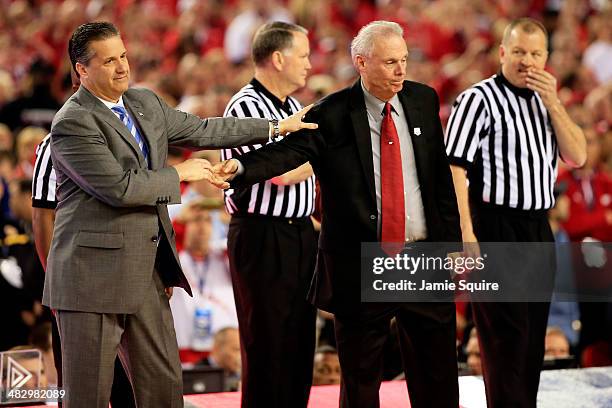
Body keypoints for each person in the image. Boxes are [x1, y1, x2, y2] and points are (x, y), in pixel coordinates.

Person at [42, 21, 315, 408]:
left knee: (165, 392)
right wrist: (180, 173)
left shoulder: (145, 102)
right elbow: (120, 187)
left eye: (123, 56)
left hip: (147, 272)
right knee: (88, 397)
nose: (122, 67)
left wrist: (275, 127)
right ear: (81, 69)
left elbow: (205, 130)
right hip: (91, 280)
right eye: (108, 61)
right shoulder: (72, 122)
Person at [216, 20, 461, 408]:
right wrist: (241, 170)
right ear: (361, 63)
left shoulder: (423, 100)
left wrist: (452, 245)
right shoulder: (331, 112)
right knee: (361, 380)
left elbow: (439, 182)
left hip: (423, 257)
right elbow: (288, 154)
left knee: (438, 373)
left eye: (404, 60)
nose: (401, 71)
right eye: (389, 63)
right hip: (362, 261)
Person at [445, 18, 586, 408]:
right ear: (503, 52)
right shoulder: (479, 99)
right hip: (494, 225)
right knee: (504, 340)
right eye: (519, 52)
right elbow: (454, 169)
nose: (527, 61)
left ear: (546, 57)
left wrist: (555, 102)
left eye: (536, 53)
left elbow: (577, 155)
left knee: (530, 339)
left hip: (538, 228)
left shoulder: (548, 101)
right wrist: (466, 234)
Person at [221, 21, 318, 408]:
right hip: (262, 235)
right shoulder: (245, 106)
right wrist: (324, 152)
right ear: (278, 58)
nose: (310, 65)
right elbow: (279, 174)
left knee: (299, 342)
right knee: (267, 344)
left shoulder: (292, 106)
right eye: (304, 55)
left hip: (299, 234)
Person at [32, 74, 136, 405]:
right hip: (77, 278)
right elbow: (43, 214)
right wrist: (55, 278)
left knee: (129, 385)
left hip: (126, 274)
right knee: (78, 385)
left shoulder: (131, 138)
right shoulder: (55, 143)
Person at [197, 327, 241, 391]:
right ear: (217, 349)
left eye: (242, 351)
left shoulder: (242, 376)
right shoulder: (196, 374)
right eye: (236, 349)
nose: (240, 356)